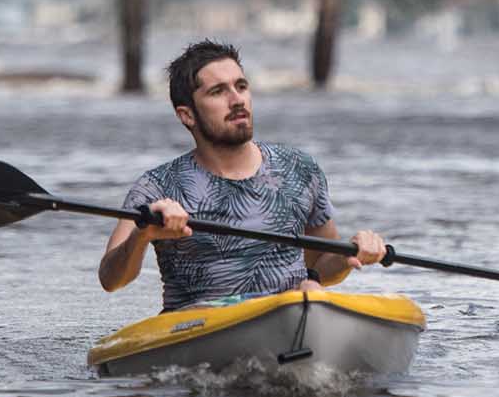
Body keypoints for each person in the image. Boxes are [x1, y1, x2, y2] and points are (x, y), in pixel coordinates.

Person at [98, 39, 387, 312]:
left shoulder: (299, 168)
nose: (237, 100)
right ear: (187, 115)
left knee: (312, 291)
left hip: (290, 318)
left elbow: (320, 263)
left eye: (241, 86)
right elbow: (111, 279)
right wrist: (143, 233)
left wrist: (351, 254)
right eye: (218, 91)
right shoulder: (156, 187)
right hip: (200, 330)